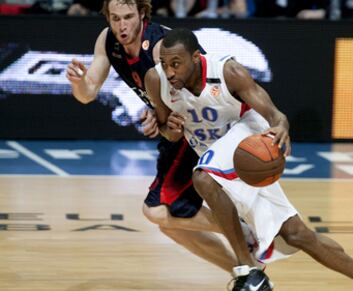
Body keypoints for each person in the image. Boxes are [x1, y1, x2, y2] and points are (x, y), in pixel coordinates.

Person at [144, 27, 353, 291]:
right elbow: (167, 129)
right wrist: (171, 131)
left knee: (201, 177)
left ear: (196, 57)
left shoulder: (228, 72)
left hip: (247, 140)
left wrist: (281, 127)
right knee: (296, 234)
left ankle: (247, 270)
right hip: (223, 162)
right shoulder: (157, 81)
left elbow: (275, 115)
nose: (170, 72)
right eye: (164, 64)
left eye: (176, 64)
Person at [65, 0, 257, 276]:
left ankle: (240, 231)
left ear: (142, 14)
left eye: (128, 17)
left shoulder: (160, 46)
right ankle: (247, 274)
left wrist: (160, 114)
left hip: (200, 125)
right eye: (115, 18)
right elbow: (87, 94)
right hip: (176, 130)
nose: (122, 25)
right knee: (170, 225)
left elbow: (200, 86)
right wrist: (79, 83)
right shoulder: (107, 41)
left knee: (155, 211)